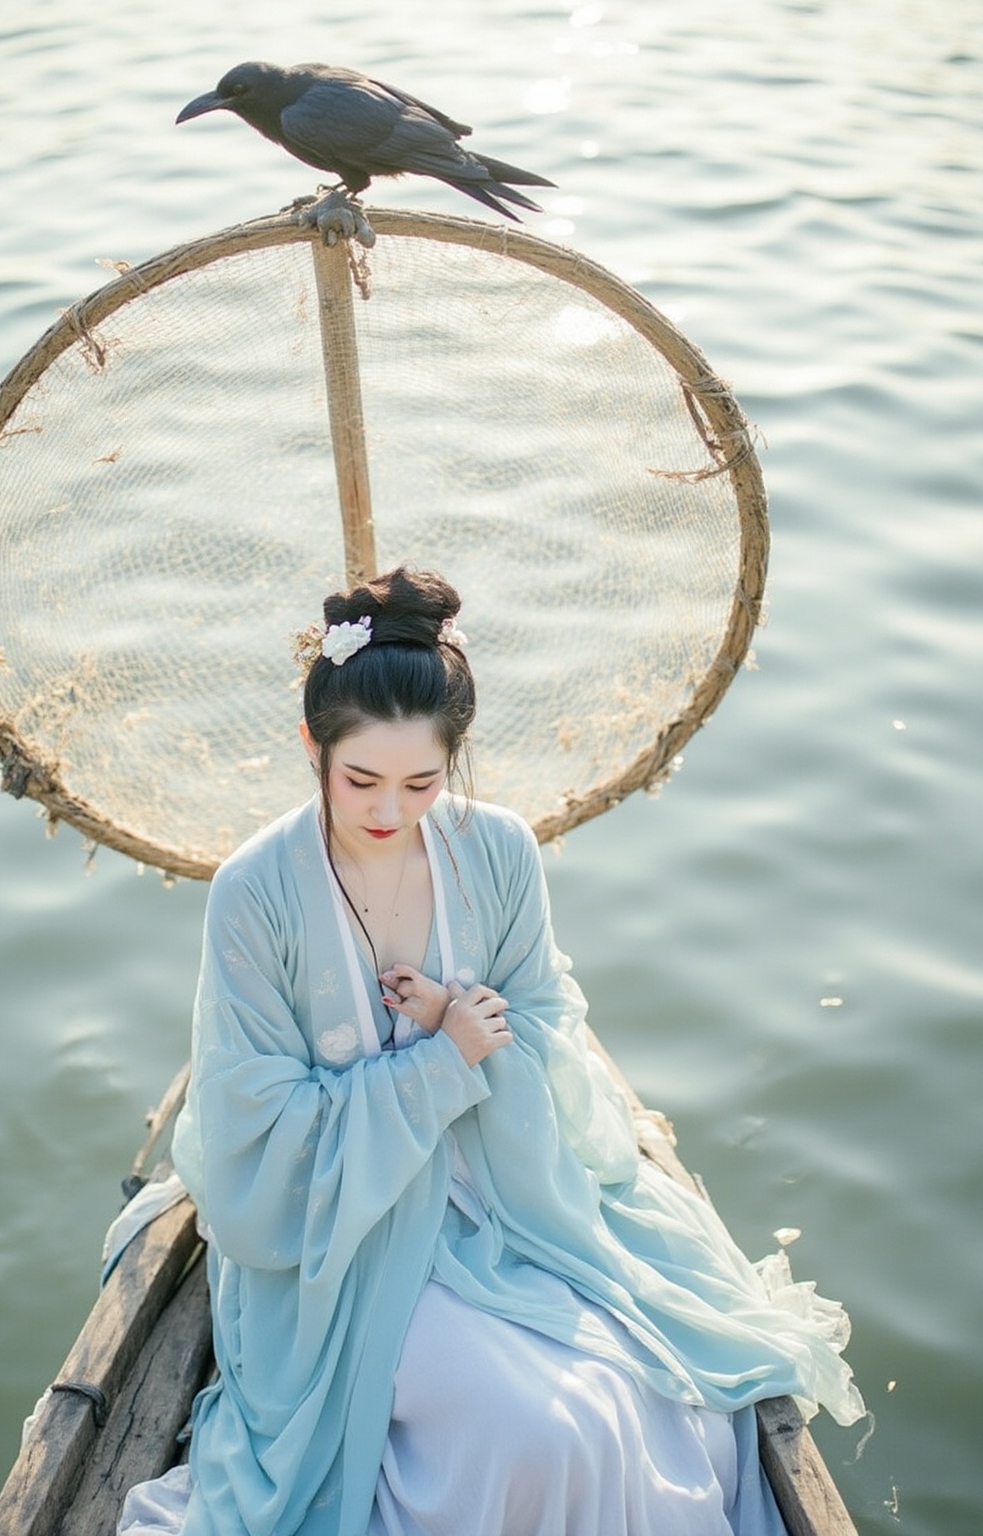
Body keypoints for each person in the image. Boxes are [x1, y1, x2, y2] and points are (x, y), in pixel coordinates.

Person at [120, 566, 863, 1536]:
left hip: (507, 1193)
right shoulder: (254, 895)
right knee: (530, 1434)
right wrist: (439, 1063)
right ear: (312, 747)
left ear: (454, 761)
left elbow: (548, 1029)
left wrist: (463, 1021)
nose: (390, 811)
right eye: (361, 781)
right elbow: (257, 1138)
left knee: (641, 1400)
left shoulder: (500, 852)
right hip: (347, 1236)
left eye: (422, 782)